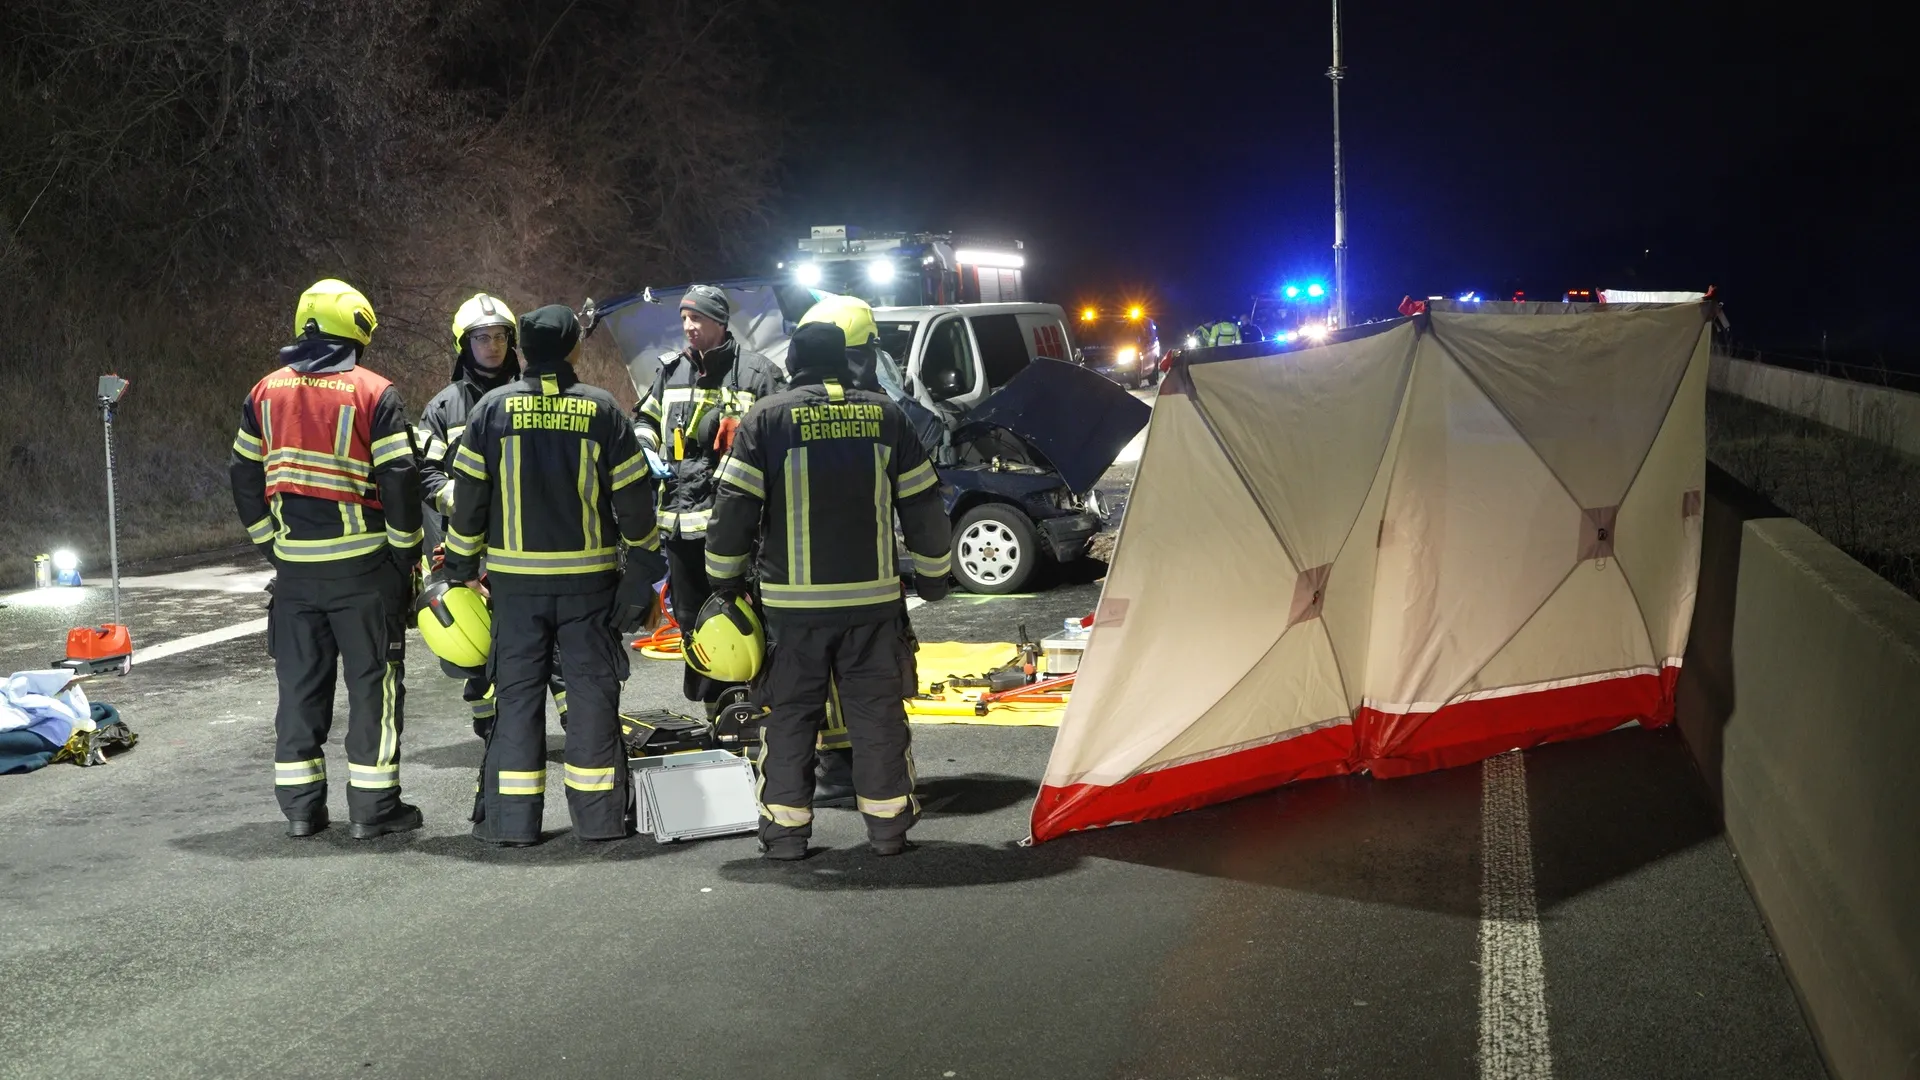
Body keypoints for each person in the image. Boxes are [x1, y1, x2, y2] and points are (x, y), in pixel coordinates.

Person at [703, 321, 953, 860]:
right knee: (878, 716)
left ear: (794, 362)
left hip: (792, 612)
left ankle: (788, 837)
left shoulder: (768, 417)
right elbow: (923, 504)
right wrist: (933, 576)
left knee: (790, 716)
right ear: (846, 362)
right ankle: (888, 832)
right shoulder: (886, 415)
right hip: (874, 605)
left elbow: (735, 509)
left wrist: (724, 580)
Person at [442, 304, 666, 846]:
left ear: (522, 350)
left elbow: (468, 502)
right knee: (590, 698)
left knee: (515, 701)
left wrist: (461, 571)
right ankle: (600, 822)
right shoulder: (602, 411)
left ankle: (511, 825)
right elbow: (635, 504)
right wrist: (642, 573)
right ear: (572, 350)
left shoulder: (492, 409)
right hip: (589, 587)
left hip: (515, 590)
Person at [229, 279, 425, 839]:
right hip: (363, 572)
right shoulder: (373, 393)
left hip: (293, 576)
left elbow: (243, 474)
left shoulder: (264, 392)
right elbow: (400, 481)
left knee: (299, 689)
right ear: (356, 333)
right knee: (373, 687)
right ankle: (373, 809)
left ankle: (300, 810)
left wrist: (270, 541)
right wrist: (404, 554)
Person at [417, 292, 568, 739]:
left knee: (551, 637)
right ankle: (492, 726)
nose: (493, 346)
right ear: (464, 344)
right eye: (482, 337)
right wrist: (464, 503)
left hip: (529, 542)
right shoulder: (443, 408)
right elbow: (424, 474)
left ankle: (574, 722)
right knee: (479, 641)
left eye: (500, 336)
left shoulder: (533, 395)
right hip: (466, 549)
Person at [631, 285, 784, 721]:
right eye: (683, 319)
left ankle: (760, 701)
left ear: (720, 322)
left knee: (744, 614)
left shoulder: (758, 374)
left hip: (735, 524)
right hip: (681, 524)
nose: (688, 327)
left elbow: (782, 433)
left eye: (696, 319)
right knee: (693, 619)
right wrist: (645, 444)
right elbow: (643, 417)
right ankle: (717, 708)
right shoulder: (670, 372)